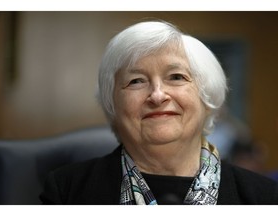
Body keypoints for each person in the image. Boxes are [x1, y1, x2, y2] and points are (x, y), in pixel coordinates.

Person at [40, 20, 278, 204]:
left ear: (207, 96)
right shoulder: (66, 190)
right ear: (112, 102)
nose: (157, 95)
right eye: (136, 81)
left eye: (176, 77)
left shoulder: (264, 197)